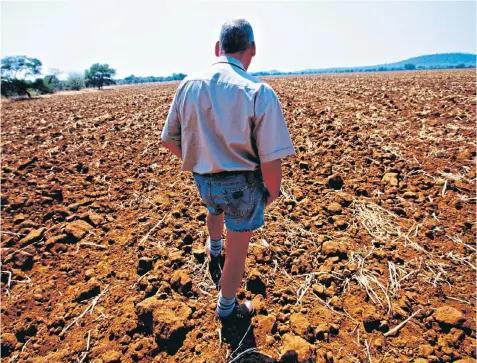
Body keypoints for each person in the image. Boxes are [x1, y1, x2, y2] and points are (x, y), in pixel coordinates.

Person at [161, 18, 295, 322]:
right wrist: (271, 193)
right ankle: (227, 308)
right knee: (239, 252)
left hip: (203, 180)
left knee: (214, 209)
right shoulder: (259, 92)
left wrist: (197, 161)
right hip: (241, 185)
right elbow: (271, 160)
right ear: (253, 49)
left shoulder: (188, 84)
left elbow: (168, 139)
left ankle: (213, 248)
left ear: (218, 48)